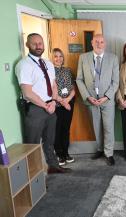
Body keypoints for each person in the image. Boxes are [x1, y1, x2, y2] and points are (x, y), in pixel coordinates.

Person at [15, 33, 70, 174]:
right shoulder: (23, 65)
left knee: (49, 140)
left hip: (50, 106)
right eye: (35, 43)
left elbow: (53, 85)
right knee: (33, 144)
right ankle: (35, 177)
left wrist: (52, 101)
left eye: (40, 43)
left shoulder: (48, 63)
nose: (38, 46)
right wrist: (46, 105)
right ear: (28, 45)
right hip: (35, 109)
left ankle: (53, 166)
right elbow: (27, 93)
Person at [76, 34, 119, 166]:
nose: (99, 44)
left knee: (109, 128)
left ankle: (109, 153)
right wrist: (88, 96)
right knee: (97, 127)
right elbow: (79, 79)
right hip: (91, 99)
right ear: (92, 43)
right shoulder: (83, 57)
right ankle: (100, 149)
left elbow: (115, 81)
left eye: (101, 42)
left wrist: (106, 96)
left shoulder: (113, 58)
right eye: (97, 42)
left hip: (107, 100)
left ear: (105, 44)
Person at [52, 48, 76, 166]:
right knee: (57, 130)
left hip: (69, 103)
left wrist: (68, 100)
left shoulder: (68, 70)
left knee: (66, 129)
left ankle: (66, 153)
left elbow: (72, 88)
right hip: (56, 105)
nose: (58, 58)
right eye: (55, 56)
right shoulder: (49, 71)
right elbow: (51, 90)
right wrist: (63, 102)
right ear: (52, 58)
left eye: (60, 56)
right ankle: (59, 154)